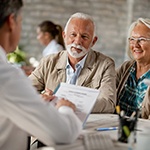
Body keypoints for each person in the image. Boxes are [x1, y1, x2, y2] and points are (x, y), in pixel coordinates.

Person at [0, 1, 82, 150]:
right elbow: (64, 133)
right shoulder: (7, 76)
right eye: (21, 22)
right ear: (12, 22)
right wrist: (65, 107)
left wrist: (33, 100)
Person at [29, 12, 116, 113]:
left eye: (84, 37)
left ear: (93, 41)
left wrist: (70, 104)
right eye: (73, 35)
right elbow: (24, 90)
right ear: (64, 36)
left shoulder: (105, 65)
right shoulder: (48, 62)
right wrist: (41, 97)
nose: (77, 41)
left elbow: (108, 103)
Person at [116, 18, 150, 119]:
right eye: (132, 39)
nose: (135, 45)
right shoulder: (126, 68)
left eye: (142, 39)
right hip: (115, 127)